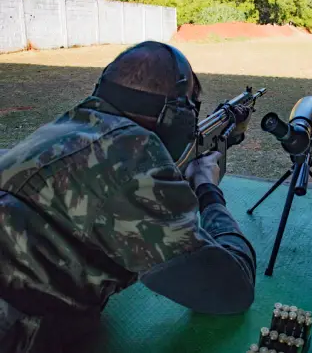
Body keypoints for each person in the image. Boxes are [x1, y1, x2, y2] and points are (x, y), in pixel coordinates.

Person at [0, 41, 256, 353]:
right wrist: (207, 187)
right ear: (177, 117)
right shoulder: (134, 154)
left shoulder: (62, 128)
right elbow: (229, 290)